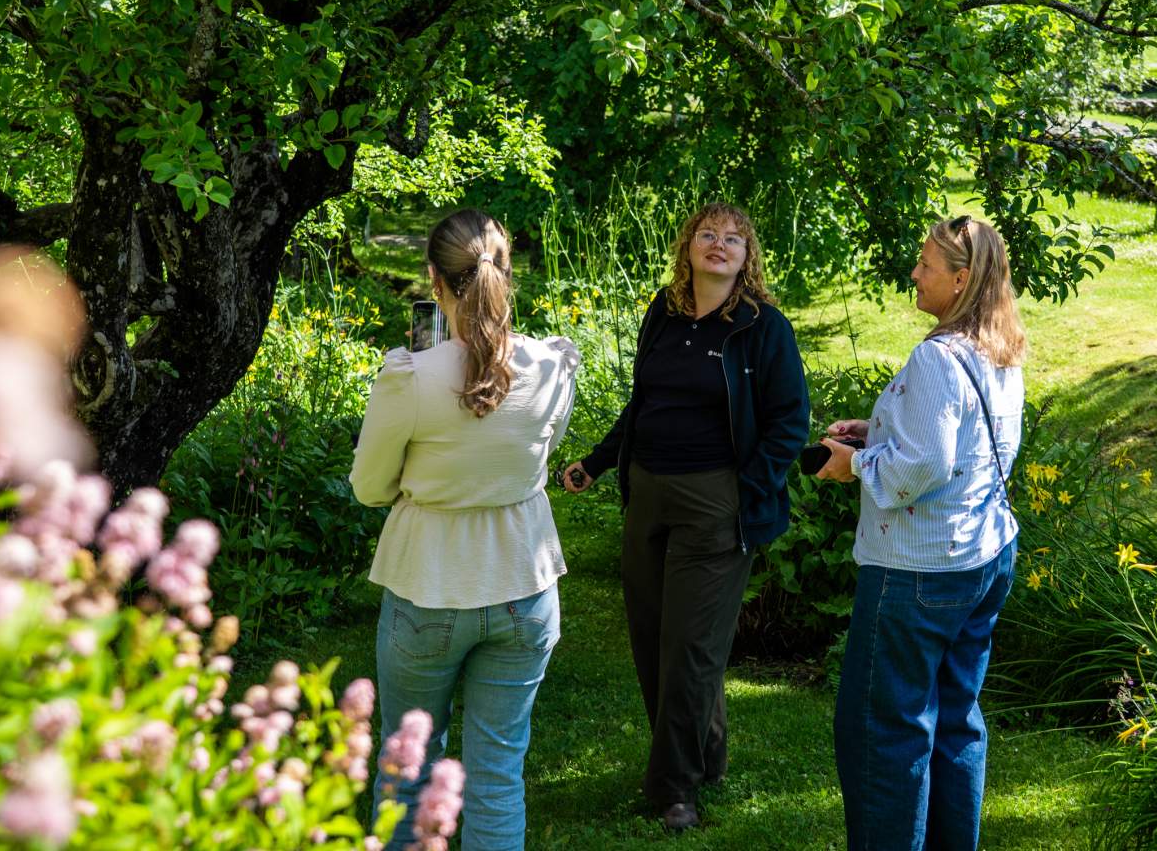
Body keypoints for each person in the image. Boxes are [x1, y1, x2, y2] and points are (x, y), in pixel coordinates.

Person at [560, 202, 810, 833]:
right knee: (651, 638)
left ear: (747, 256)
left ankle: (674, 789)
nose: (718, 245)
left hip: (714, 503)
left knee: (692, 649)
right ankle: (708, 756)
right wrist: (599, 462)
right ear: (688, 247)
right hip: (646, 491)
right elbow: (643, 402)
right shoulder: (663, 314)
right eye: (707, 234)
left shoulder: (763, 328)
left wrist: (743, 487)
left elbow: (789, 424)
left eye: (732, 238)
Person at [350, 209, 580, 851]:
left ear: (435, 279)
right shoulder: (554, 366)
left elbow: (370, 488)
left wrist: (426, 482)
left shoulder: (411, 379)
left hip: (429, 585)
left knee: (409, 774)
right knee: (497, 775)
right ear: (508, 275)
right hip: (525, 586)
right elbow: (533, 461)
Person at [813, 215, 1026, 851]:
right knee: (955, 722)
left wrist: (855, 463)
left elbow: (927, 466)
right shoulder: (1001, 347)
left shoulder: (937, 355)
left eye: (927, 267)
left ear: (960, 280)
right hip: (983, 557)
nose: (915, 274)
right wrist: (878, 433)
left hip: (919, 570)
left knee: (885, 734)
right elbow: (965, 447)